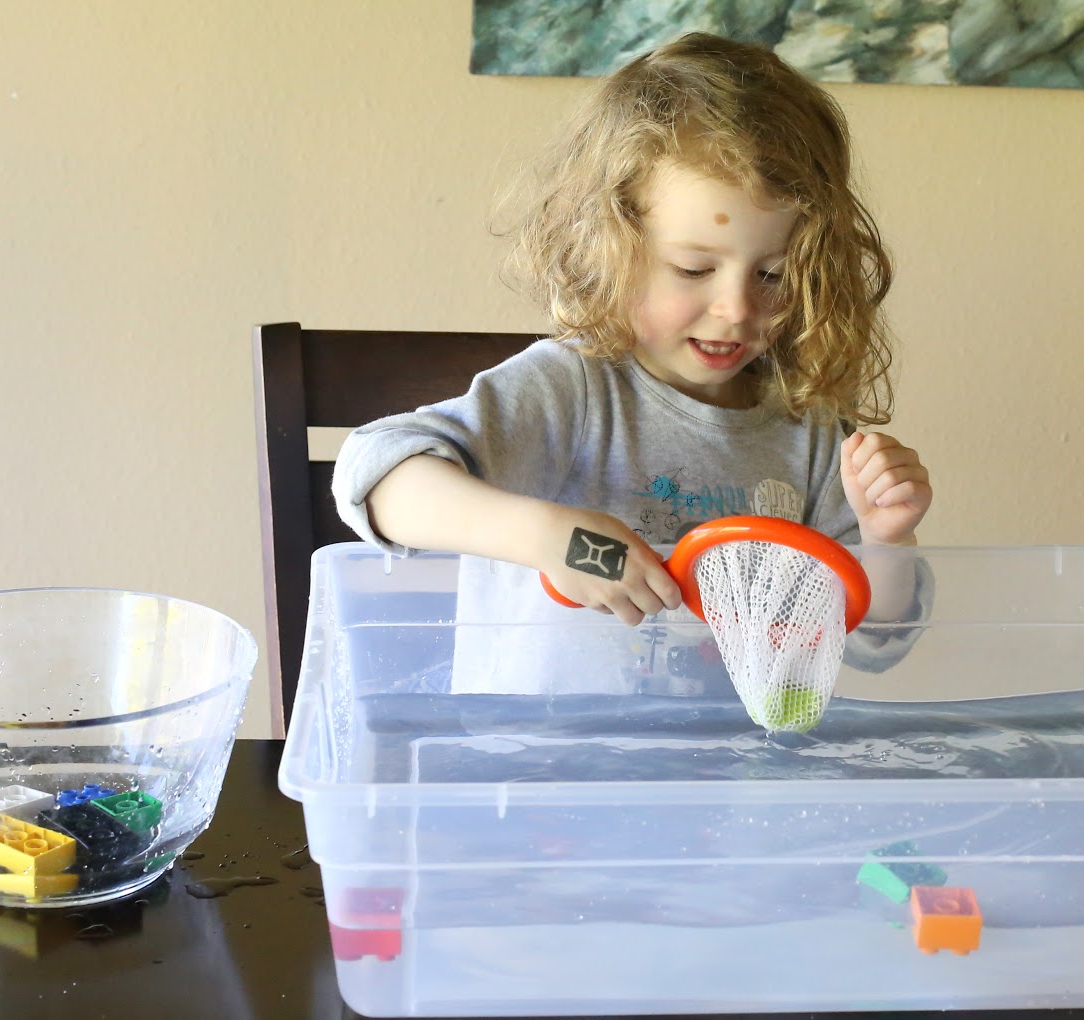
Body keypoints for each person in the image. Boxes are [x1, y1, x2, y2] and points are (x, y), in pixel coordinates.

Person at [333, 32, 933, 697]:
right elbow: (374, 474)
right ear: (611, 248)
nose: (737, 309)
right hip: (539, 754)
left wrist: (886, 541)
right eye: (693, 269)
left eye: (773, 274)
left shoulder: (809, 430)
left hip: (731, 758)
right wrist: (549, 538)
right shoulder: (573, 390)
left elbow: (872, 639)